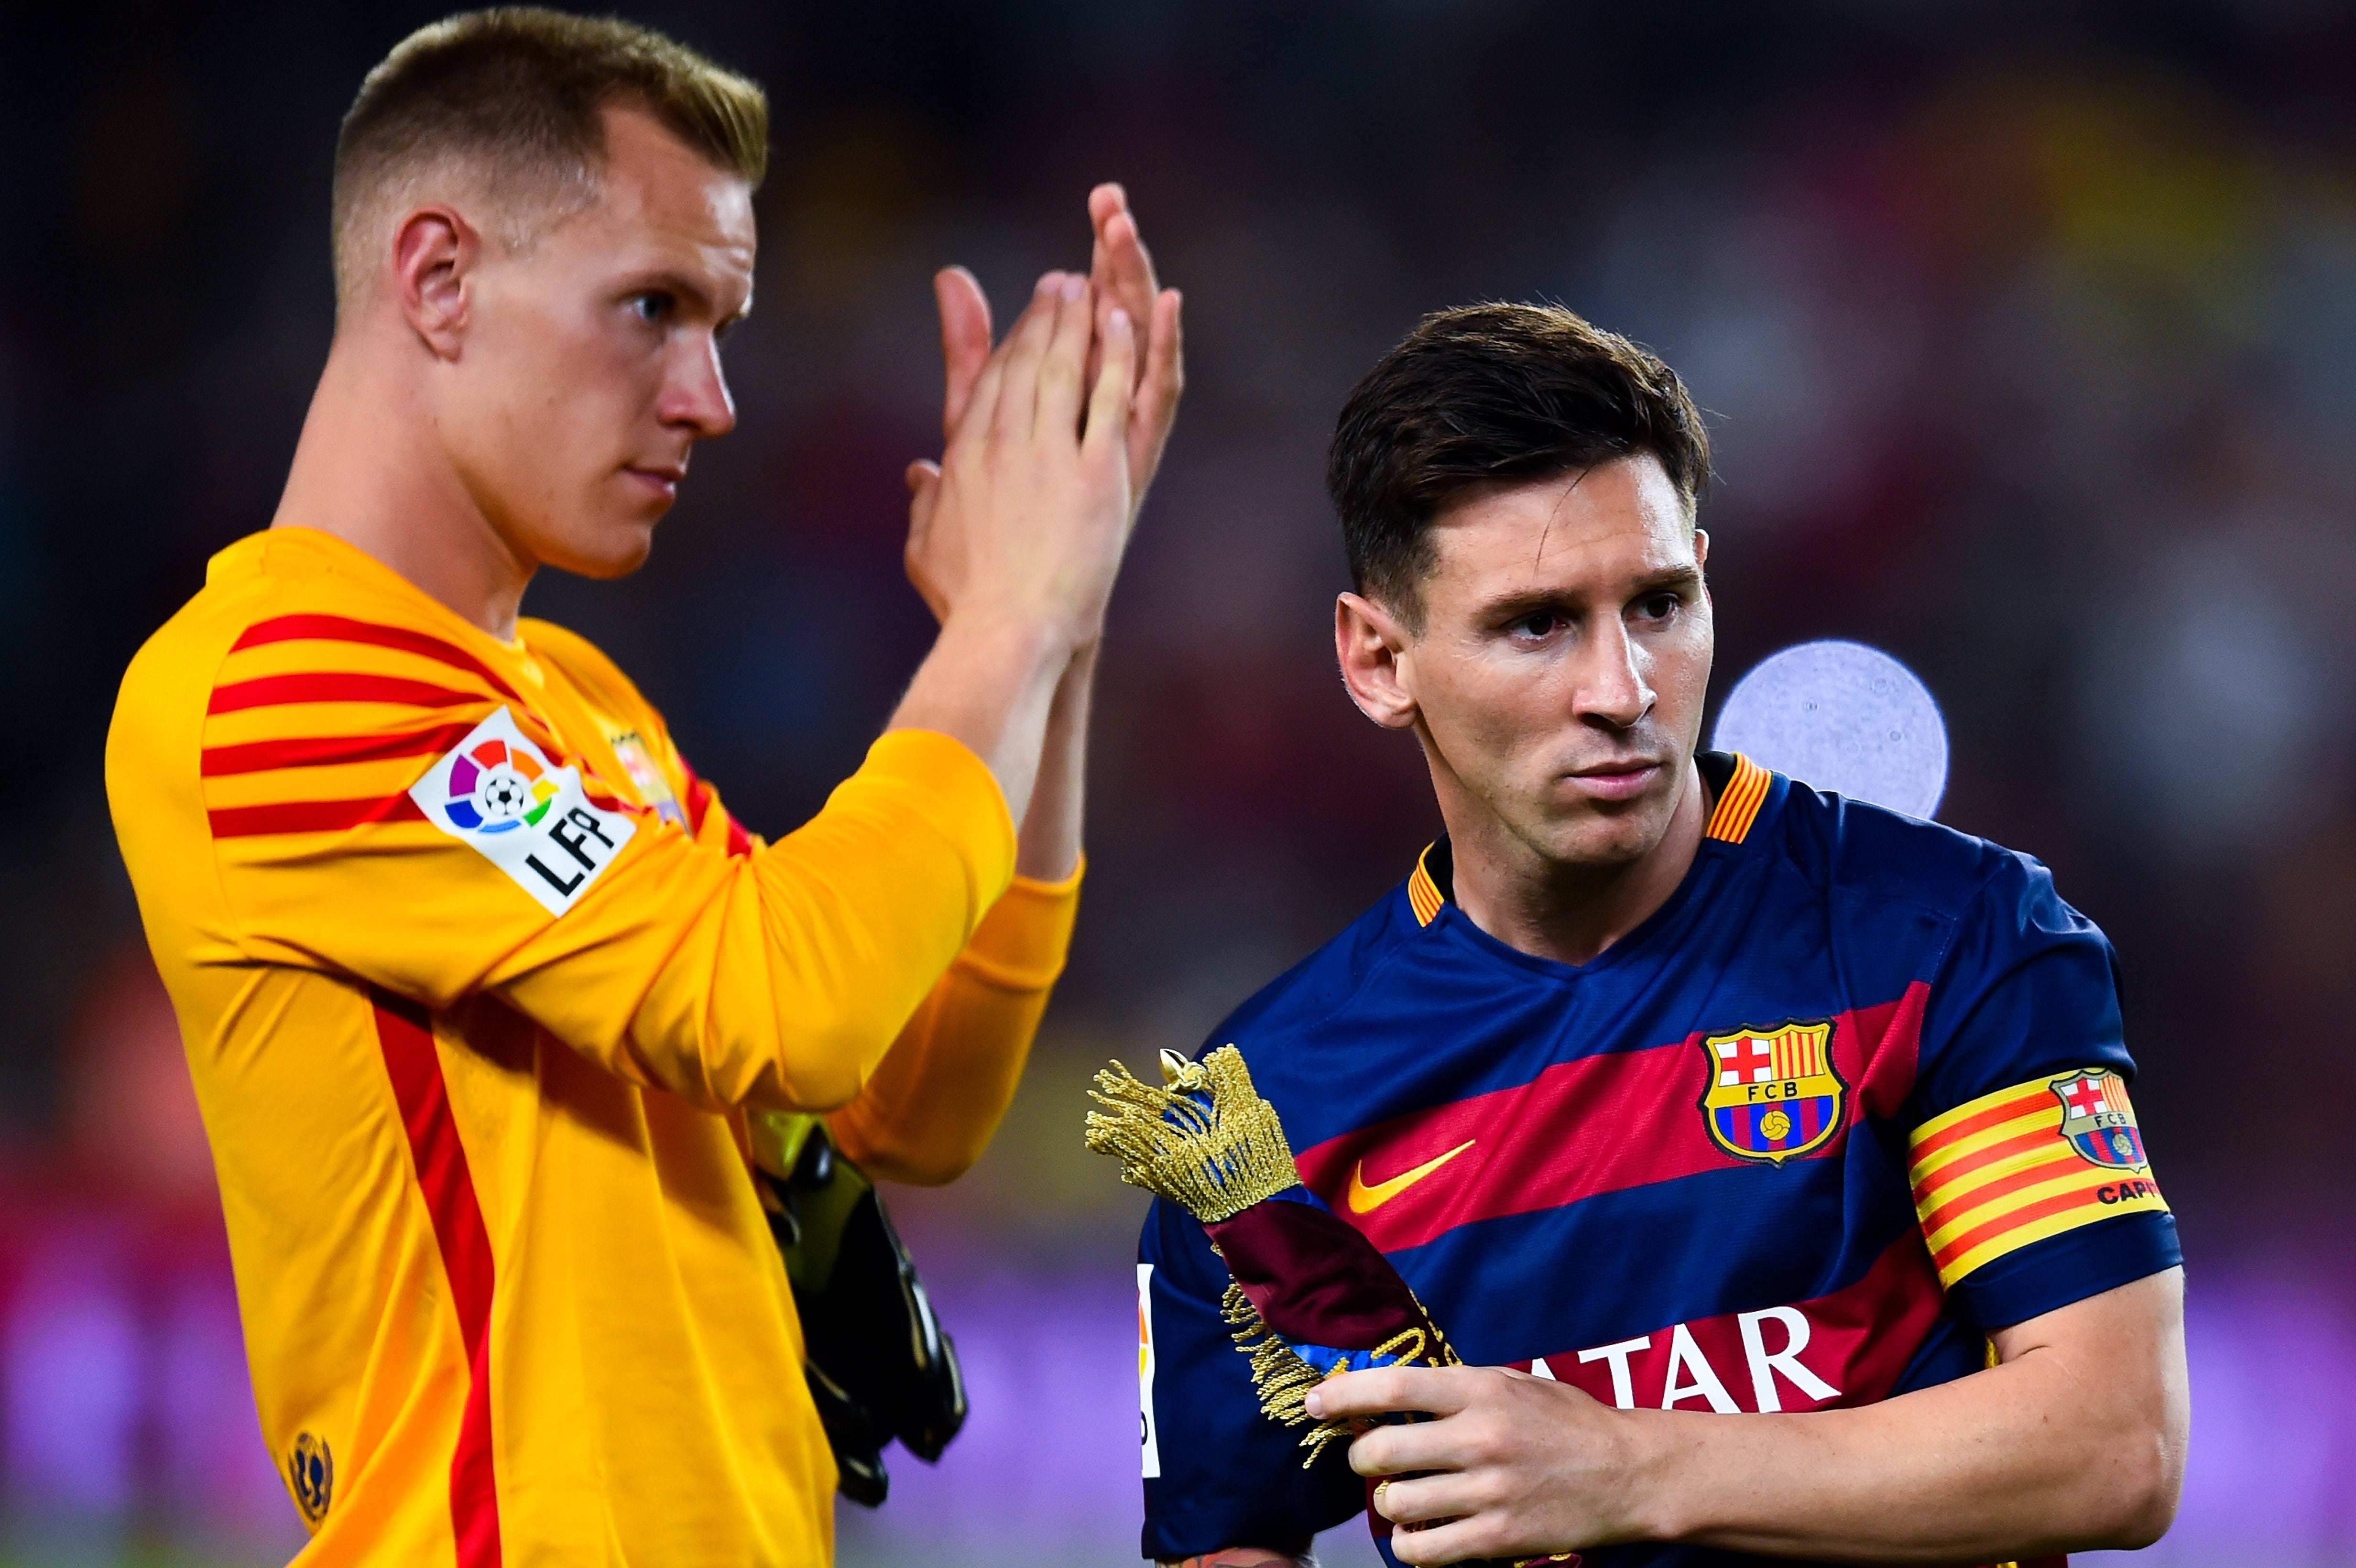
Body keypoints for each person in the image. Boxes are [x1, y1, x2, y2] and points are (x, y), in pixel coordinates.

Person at [104, 10, 1180, 1565]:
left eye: (722, 324)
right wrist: (1004, 622)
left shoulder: (578, 705)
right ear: (438, 279)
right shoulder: (276, 683)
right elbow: (787, 1000)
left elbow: (902, 1094)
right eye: (654, 308)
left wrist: (1054, 631)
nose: (711, 396)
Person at [1135, 304, 2183, 1568]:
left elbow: (2113, 1445)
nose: (1621, 691)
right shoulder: (1264, 1110)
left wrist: (1628, 1465)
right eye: (1537, 624)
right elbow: (1229, 1543)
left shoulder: (1947, 938)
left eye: (1656, 605)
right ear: (1376, 660)